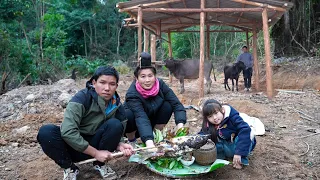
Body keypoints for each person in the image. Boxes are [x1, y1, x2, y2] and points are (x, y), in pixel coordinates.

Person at [37, 66, 133, 180]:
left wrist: (120, 144)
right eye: (102, 82)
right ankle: (69, 168)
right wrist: (96, 153)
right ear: (94, 82)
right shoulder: (81, 99)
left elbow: (119, 132)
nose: (107, 88)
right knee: (46, 132)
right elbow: (68, 132)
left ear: (117, 86)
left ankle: (100, 164)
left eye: (112, 84)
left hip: (96, 143)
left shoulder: (117, 106)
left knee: (115, 124)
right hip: (72, 147)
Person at [124, 52, 187, 148]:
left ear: (155, 76)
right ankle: (132, 141)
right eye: (143, 76)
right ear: (137, 78)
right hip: (136, 125)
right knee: (127, 114)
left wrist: (180, 126)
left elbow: (176, 104)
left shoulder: (160, 84)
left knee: (168, 106)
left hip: (154, 119)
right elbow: (141, 118)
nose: (147, 80)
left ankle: (156, 136)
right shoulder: (132, 94)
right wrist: (149, 143)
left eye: (150, 76)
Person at [199, 99, 256, 169]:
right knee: (212, 143)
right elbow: (203, 134)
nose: (214, 118)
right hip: (226, 143)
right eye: (210, 116)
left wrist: (239, 153)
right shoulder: (208, 123)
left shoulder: (232, 117)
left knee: (247, 135)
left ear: (222, 110)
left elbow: (245, 130)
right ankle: (223, 156)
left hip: (237, 144)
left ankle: (240, 159)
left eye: (216, 113)